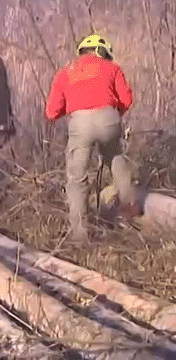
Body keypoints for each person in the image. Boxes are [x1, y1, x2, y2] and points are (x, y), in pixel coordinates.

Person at [45, 34, 141, 243]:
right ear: (101, 51)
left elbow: (52, 112)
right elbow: (126, 99)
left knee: (77, 179)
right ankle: (130, 210)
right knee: (115, 158)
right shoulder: (112, 68)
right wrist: (114, 115)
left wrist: (76, 109)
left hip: (80, 124)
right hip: (109, 118)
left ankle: (80, 236)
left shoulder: (65, 73)